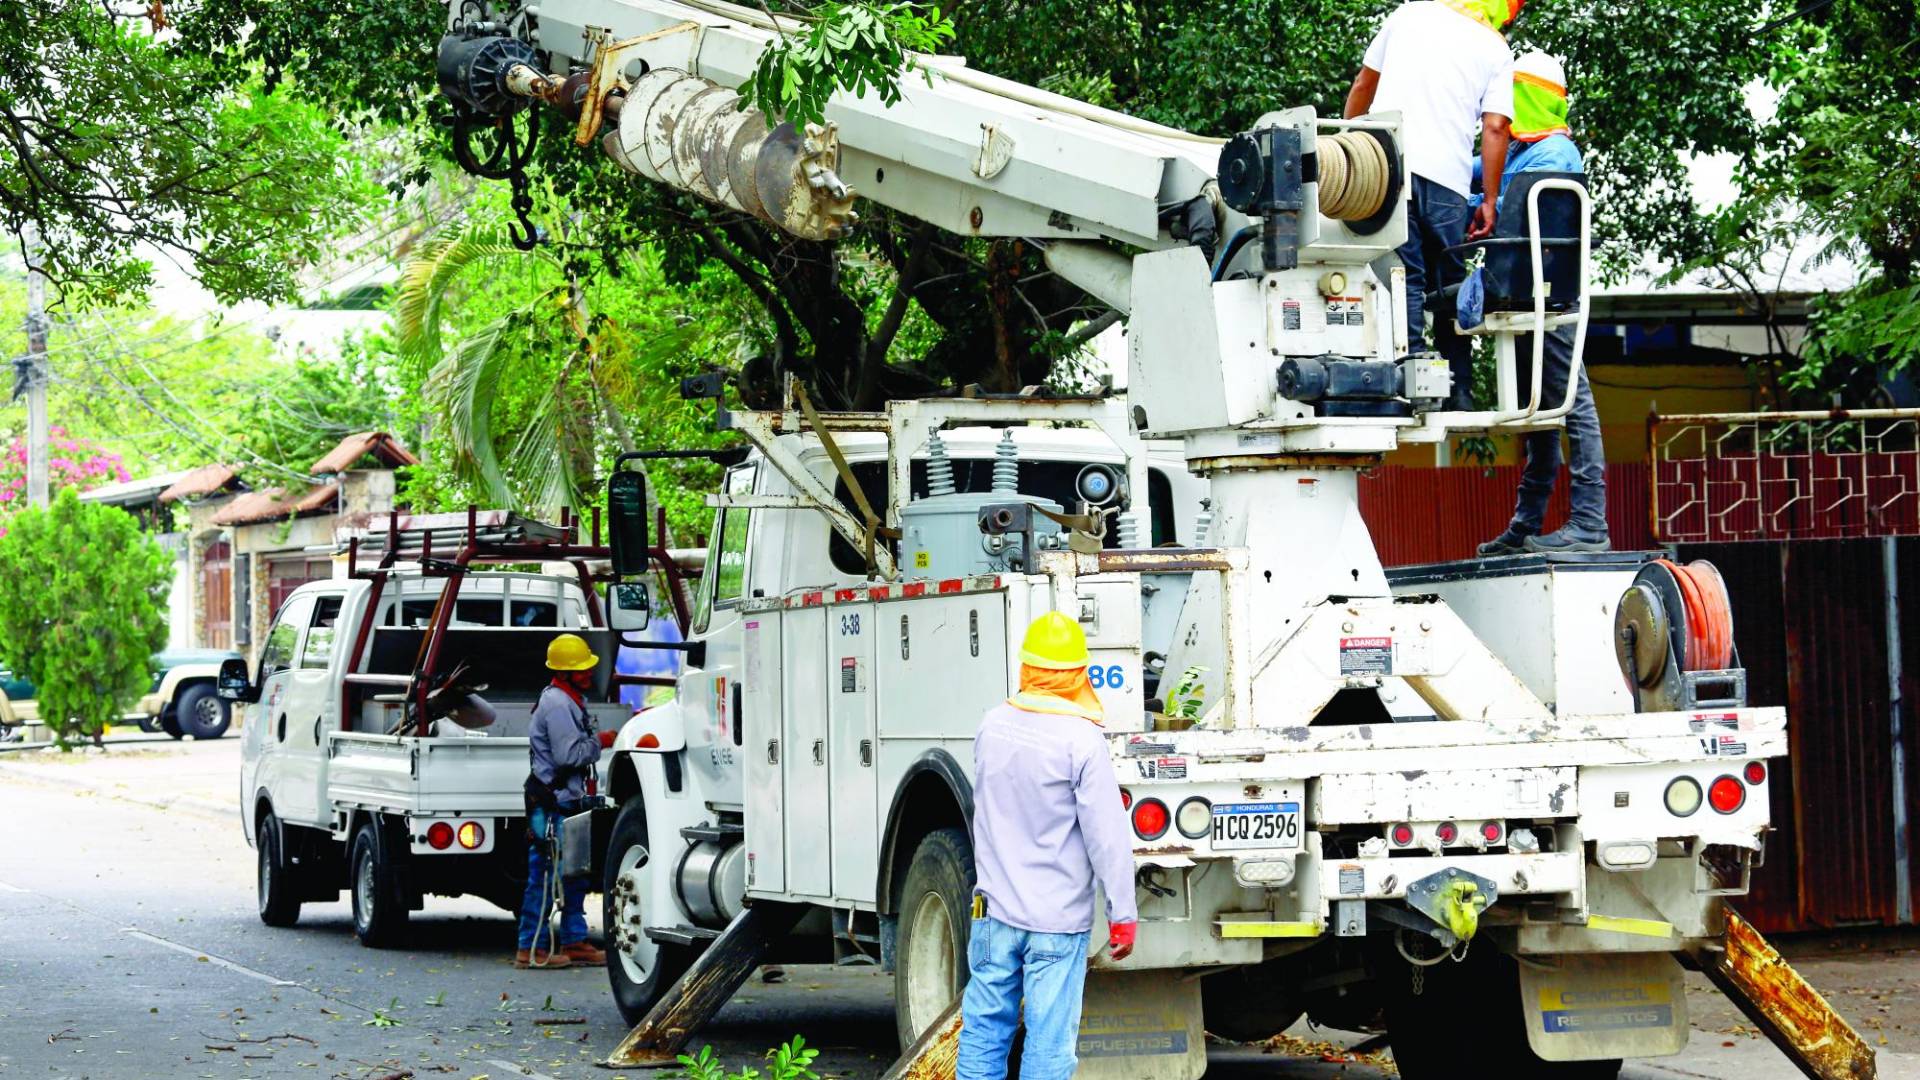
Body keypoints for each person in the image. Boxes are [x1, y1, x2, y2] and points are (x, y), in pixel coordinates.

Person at [958, 611, 1138, 1080]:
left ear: (1026, 668)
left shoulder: (992, 725)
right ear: (1079, 675)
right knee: (1049, 1042)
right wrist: (1122, 915)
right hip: (1056, 923)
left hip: (994, 914)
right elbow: (1107, 836)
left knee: (983, 1031)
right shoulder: (1082, 741)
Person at [1346, 0, 1522, 411]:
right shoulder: (1495, 47)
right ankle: (1458, 390)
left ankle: (1410, 381)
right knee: (1447, 285)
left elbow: (1362, 87)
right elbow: (1496, 126)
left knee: (1401, 275)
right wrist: (1491, 201)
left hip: (1390, 164)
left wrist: (1346, 146)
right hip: (1449, 181)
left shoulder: (1408, 14)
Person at [1468, 51, 1609, 554]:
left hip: (1552, 298)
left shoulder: (1554, 156)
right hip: (1521, 295)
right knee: (1539, 415)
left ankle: (1591, 524)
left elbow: (1504, 206)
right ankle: (1526, 526)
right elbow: (1471, 188)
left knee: (1573, 407)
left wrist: (1483, 200)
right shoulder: (1518, 152)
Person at [516, 632, 615, 969]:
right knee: (544, 875)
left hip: (565, 802)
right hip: (552, 803)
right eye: (582, 669)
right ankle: (531, 948)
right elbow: (567, 755)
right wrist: (600, 741)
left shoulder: (569, 699)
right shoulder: (558, 704)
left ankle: (574, 940)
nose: (589, 674)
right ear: (565, 672)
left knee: (574, 875)